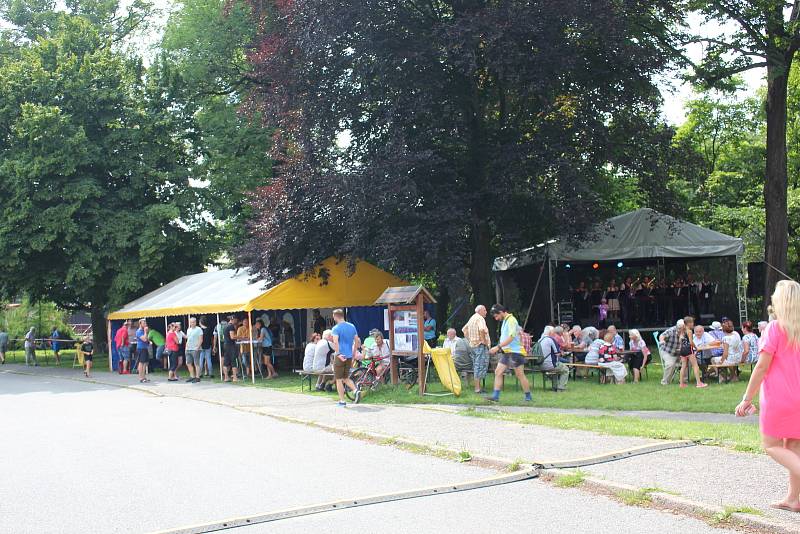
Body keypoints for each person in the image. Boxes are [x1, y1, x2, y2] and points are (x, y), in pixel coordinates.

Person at [735, 280, 800, 513]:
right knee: (793, 446)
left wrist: (746, 398)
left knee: (771, 445)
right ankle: (793, 499)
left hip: (780, 398)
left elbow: (761, 367)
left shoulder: (774, 328)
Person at [487, 304, 532, 402]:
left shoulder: (511, 320)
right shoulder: (505, 321)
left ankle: (528, 397)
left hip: (514, 352)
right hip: (509, 352)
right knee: (500, 372)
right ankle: (496, 396)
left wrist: (497, 347)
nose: (496, 318)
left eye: (496, 316)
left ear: (501, 312)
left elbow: (511, 337)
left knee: (519, 374)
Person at [331, 309, 361, 406]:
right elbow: (356, 341)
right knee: (346, 377)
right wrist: (353, 353)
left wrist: (338, 354)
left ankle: (342, 401)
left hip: (340, 356)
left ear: (335, 316)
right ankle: (355, 390)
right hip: (349, 356)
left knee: (339, 379)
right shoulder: (352, 326)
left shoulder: (336, 328)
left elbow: (335, 342)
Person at [462, 305, 491, 394]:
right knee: (479, 366)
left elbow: (464, 330)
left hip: (473, 346)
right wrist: (484, 341)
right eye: (485, 310)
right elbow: (482, 329)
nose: (486, 312)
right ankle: (477, 389)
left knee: (476, 366)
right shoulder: (480, 318)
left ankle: (478, 387)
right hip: (480, 346)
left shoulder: (472, 318)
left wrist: (470, 340)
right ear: (480, 311)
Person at [676, 316, 707, 389]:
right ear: (689, 323)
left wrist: (681, 349)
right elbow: (691, 342)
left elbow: (680, 341)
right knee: (695, 365)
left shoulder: (682, 331)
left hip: (682, 350)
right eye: (692, 322)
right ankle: (699, 383)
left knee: (683, 367)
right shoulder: (689, 331)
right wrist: (696, 348)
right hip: (688, 350)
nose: (693, 324)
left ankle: (681, 384)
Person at [539, 326, 569, 391]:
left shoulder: (540, 340)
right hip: (550, 365)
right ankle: (561, 388)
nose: (554, 333)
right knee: (565, 369)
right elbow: (557, 354)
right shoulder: (551, 340)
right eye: (553, 332)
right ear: (550, 332)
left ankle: (554, 387)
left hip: (540, 365)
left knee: (555, 369)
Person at [658, 319, 684, 385]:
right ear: (677, 327)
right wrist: (662, 340)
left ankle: (683, 380)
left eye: (683, 328)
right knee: (670, 364)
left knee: (690, 361)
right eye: (679, 328)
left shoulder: (686, 331)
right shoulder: (671, 330)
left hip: (680, 353)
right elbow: (662, 336)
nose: (681, 330)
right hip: (668, 351)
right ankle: (665, 382)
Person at [185, 317, 203, 383]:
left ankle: (197, 377)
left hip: (195, 349)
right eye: (191, 322)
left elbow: (201, 339)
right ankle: (192, 376)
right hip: (188, 349)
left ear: (195, 322)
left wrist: (197, 348)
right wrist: (186, 347)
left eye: (193, 322)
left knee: (196, 363)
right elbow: (188, 339)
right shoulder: (188, 329)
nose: (192, 323)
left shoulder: (199, 329)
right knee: (188, 363)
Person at [222, 316, 239, 382]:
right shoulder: (231, 326)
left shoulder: (225, 326)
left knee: (226, 362)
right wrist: (240, 337)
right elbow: (232, 337)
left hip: (225, 345)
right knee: (233, 361)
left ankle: (226, 377)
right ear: (232, 319)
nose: (236, 321)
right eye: (236, 320)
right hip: (231, 346)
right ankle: (235, 378)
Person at [135, 319, 151, 383]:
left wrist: (149, 341)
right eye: (143, 323)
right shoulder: (139, 331)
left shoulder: (143, 331)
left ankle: (144, 377)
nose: (145, 324)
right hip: (141, 348)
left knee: (145, 363)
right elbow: (144, 339)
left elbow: (147, 339)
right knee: (141, 363)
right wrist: (145, 332)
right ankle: (141, 378)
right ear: (140, 324)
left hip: (145, 348)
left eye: (145, 323)